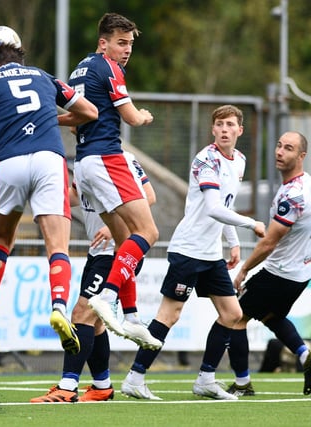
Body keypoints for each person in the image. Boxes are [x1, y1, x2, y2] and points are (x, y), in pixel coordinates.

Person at [0, 25, 99, 356]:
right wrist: (53, 118)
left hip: (8, 162)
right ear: (19, 51)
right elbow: (89, 112)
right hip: (49, 159)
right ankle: (59, 307)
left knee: (2, 240)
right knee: (57, 245)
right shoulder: (43, 76)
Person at [120, 104, 266, 401]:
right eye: (219, 124)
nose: (225, 129)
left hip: (211, 255)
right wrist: (251, 224)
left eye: (230, 125)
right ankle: (135, 378)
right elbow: (212, 208)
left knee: (232, 314)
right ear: (213, 130)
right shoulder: (206, 159)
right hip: (188, 250)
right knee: (169, 315)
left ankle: (206, 380)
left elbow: (224, 205)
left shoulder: (238, 160)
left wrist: (233, 240)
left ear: (240, 130)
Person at [30, 151, 158, 403]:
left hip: (117, 253)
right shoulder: (84, 160)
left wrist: (114, 226)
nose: (72, 120)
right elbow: (76, 195)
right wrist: (41, 196)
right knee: (95, 322)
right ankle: (102, 386)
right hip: (97, 253)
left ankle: (67, 386)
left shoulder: (123, 158)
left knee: (82, 314)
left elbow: (149, 196)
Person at [67, 13, 159, 348]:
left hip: (84, 163)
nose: (126, 50)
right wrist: (144, 116)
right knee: (148, 232)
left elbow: (76, 119)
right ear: (103, 42)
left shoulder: (79, 68)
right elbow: (132, 118)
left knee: (124, 243)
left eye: (130, 44)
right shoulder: (108, 67)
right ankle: (107, 295)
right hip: (107, 157)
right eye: (121, 43)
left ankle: (132, 317)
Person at [228, 131, 311, 397]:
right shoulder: (305, 185)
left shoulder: (293, 195)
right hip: (299, 273)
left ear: (301, 156)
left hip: (280, 272)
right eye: (278, 145)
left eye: (288, 148)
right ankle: (305, 354)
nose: (279, 151)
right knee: (271, 316)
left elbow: (269, 243)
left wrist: (243, 270)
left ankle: (242, 384)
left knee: (235, 318)